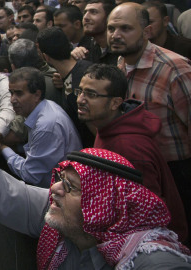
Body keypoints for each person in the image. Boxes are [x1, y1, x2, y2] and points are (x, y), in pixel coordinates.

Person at [0, 130, 191, 269]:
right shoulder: (58, 215)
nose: (54, 189)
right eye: (59, 179)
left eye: (70, 187)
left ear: (106, 206)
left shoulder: (154, 261)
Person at [77, 63, 188, 241]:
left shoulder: (130, 148)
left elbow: (148, 214)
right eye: (80, 91)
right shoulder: (107, 126)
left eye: (91, 94)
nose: (80, 99)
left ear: (115, 103)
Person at [108, 2, 191, 226]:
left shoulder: (174, 69)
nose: (115, 35)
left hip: (179, 174)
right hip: (143, 173)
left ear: (146, 32)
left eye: (125, 28)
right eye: (111, 29)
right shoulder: (121, 64)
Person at [0, 67, 82, 187]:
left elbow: (30, 174)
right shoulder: (45, 108)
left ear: (37, 95)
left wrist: (2, 148)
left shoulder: (46, 125)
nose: (12, 100)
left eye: (19, 93)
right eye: (11, 93)